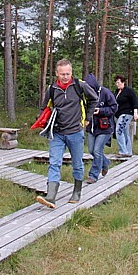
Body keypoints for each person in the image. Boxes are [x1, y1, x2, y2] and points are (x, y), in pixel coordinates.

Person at [36, 59, 98, 209]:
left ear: (71, 72)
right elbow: (44, 107)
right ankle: (51, 196)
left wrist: (87, 119)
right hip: (57, 133)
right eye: (62, 74)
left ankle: (77, 192)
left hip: (75, 132)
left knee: (77, 164)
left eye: (68, 73)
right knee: (54, 163)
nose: (65, 76)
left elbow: (94, 99)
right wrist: (44, 121)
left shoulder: (79, 85)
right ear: (57, 73)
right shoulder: (52, 88)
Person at [84, 73, 118, 184]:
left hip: (105, 127)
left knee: (97, 151)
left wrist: (101, 110)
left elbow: (114, 107)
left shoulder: (105, 93)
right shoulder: (85, 95)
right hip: (92, 127)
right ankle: (105, 163)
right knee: (91, 150)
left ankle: (93, 175)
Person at [114, 74, 138, 158]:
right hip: (119, 114)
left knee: (119, 130)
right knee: (125, 132)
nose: (117, 84)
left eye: (118, 82)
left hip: (127, 113)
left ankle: (123, 151)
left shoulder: (129, 91)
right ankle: (128, 151)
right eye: (116, 83)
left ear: (123, 82)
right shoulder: (117, 92)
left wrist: (135, 112)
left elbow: (135, 101)